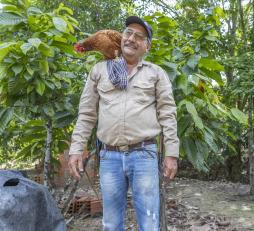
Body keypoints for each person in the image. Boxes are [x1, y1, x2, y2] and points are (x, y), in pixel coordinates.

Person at [68, 16, 179, 231]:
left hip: (144, 154)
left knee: (149, 221)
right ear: (121, 37)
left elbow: (168, 113)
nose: (131, 39)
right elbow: (87, 113)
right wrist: (76, 149)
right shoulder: (99, 71)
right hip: (109, 157)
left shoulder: (156, 73)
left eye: (139, 36)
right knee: (111, 223)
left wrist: (172, 154)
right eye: (128, 32)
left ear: (147, 46)